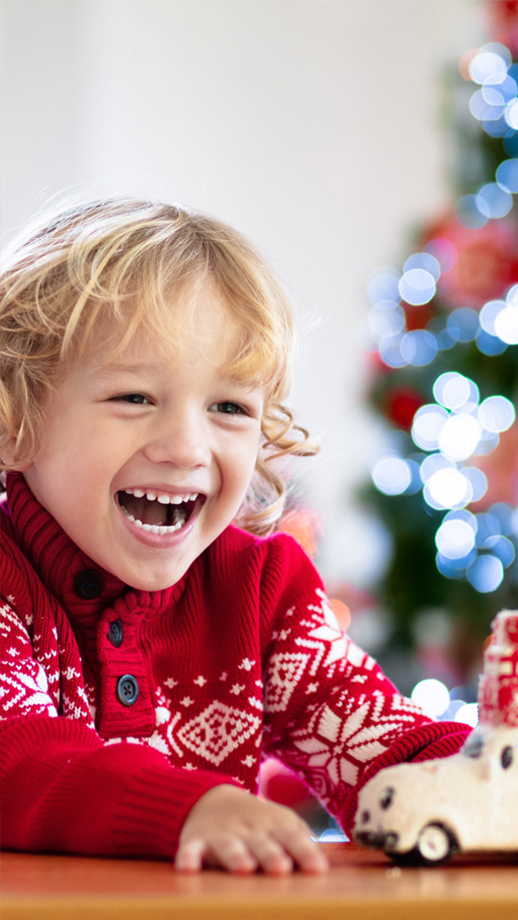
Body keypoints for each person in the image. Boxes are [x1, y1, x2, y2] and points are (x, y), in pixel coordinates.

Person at [0, 198, 470, 874]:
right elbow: (15, 754)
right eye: (134, 397)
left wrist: (483, 780)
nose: (188, 446)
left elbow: (381, 744)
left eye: (228, 407)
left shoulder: (260, 592)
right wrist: (186, 807)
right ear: (17, 422)